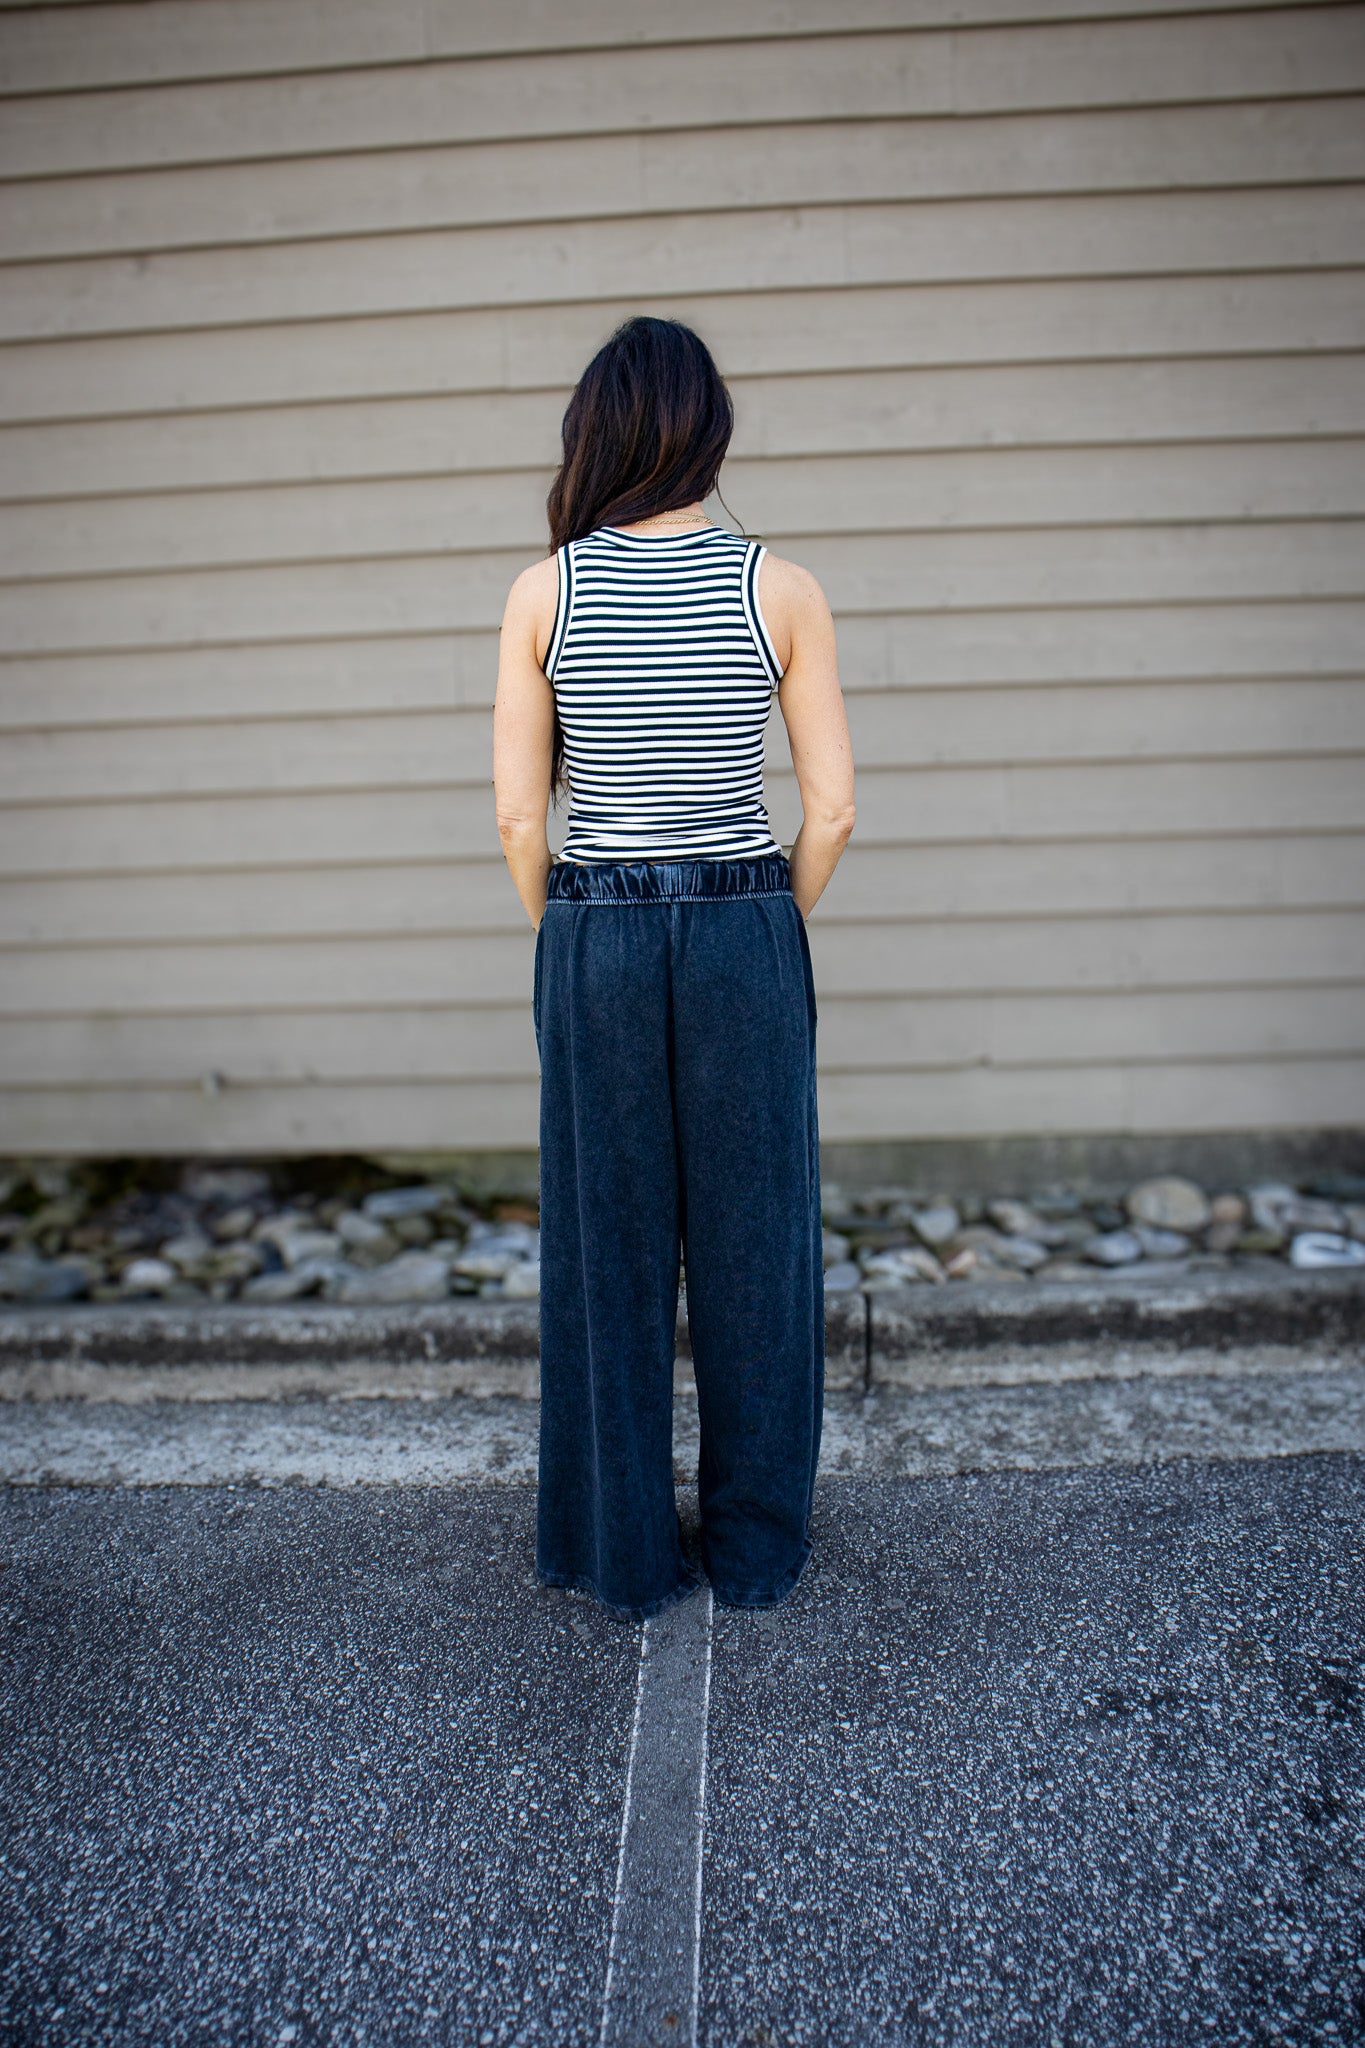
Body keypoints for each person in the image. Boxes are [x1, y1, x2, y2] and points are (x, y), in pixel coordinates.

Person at [492, 315, 855, 1622]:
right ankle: (756, 1554)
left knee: (609, 1248)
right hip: (744, 932)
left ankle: (623, 1553)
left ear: (595, 432)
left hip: (593, 932)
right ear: (711, 429)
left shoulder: (545, 591)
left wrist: (571, 933)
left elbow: (519, 820)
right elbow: (831, 810)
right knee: (757, 1247)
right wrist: (764, 917)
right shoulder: (783, 586)